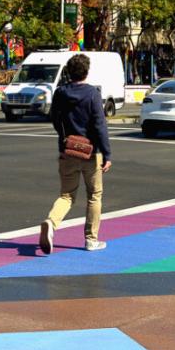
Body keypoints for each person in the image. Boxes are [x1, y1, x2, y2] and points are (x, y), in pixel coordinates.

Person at [39, 53, 112, 254]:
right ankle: (91, 239)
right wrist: (107, 154)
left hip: (68, 150)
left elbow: (55, 119)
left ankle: (51, 222)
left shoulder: (60, 93)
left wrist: (65, 138)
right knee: (94, 195)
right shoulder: (92, 94)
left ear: (68, 72)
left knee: (67, 195)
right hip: (90, 152)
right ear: (86, 72)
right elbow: (99, 125)